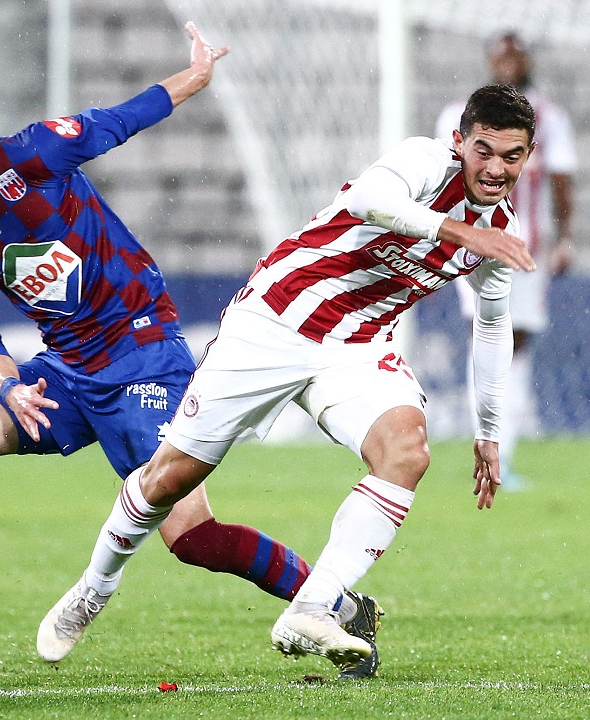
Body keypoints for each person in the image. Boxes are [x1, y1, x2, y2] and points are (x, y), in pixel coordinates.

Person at [0, 23, 381, 680]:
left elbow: (119, 120)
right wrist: (10, 385)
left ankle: (340, 604)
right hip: (65, 372)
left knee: (194, 539)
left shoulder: (28, 155)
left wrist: (197, 76)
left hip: (143, 355)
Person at [39, 83, 538, 671]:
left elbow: (492, 325)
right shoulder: (426, 160)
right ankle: (93, 590)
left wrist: (488, 430)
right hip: (274, 321)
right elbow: (370, 199)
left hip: (355, 347)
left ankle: (314, 607)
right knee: (168, 480)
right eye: (484, 151)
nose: (496, 169)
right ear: (460, 141)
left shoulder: (500, 231)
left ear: (528, 155)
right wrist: (458, 231)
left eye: (512, 156)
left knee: (406, 451)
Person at [435, 31, 577, 484]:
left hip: (525, 248)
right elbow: (442, 177)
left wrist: (565, 238)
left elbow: (561, 181)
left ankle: (501, 449)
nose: (510, 63)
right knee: (488, 335)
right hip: (474, 243)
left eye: (517, 56)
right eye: (502, 56)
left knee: (516, 342)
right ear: (490, 61)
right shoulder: (459, 115)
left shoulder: (550, 117)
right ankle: (491, 446)